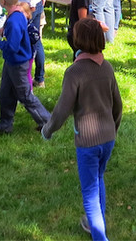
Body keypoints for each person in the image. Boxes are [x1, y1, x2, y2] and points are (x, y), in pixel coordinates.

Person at [42, 19, 123, 241]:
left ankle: (99, 236)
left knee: (89, 191)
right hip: (108, 138)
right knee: (98, 178)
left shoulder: (74, 72)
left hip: (88, 143)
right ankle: (95, 222)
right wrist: (113, 128)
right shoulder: (107, 68)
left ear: (78, 41)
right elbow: (118, 105)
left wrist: (48, 130)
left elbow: (62, 110)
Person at [0, 0, 51, 135]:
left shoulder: (14, 19)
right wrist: (3, 30)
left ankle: (48, 122)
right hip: (11, 61)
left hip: (18, 63)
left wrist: (1, 44)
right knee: (6, 94)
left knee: (25, 96)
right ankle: (5, 126)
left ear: (3, 1)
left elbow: (13, 46)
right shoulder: (17, 13)